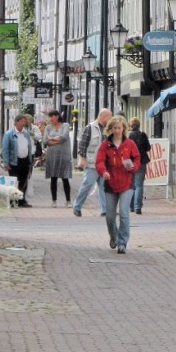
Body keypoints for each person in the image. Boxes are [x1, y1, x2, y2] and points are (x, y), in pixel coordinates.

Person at [95, 115, 140, 254]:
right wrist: (103, 172)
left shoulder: (130, 144)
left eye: (119, 128)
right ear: (110, 129)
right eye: (114, 128)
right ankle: (113, 236)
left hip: (127, 182)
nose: (117, 130)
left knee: (124, 213)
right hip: (110, 182)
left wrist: (133, 167)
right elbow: (99, 161)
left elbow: (137, 158)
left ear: (124, 128)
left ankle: (122, 243)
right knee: (110, 216)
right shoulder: (105, 145)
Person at [72, 108, 112, 217]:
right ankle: (77, 207)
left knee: (104, 187)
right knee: (87, 185)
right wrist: (82, 158)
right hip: (92, 163)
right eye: (109, 117)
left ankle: (105, 210)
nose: (111, 119)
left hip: (104, 164)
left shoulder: (108, 129)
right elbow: (83, 144)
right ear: (103, 116)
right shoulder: (90, 128)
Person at [0, 114, 33, 207]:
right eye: (22, 121)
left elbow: (29, 147)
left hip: (25, 160)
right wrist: (6, 163)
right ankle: (12, 200)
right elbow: (5, 149)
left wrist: (30, 160)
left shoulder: (26, 134)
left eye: (24, 121)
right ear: (16, 123)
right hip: (14, 161)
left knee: (24, 181)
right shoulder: (9, 134)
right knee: (13, 181)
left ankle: (22, 200)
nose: (24, 123)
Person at [42, 109, 72, 207]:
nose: (50, 118)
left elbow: (64, 137)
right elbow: (45, 140)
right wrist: (56, 140)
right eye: (49, 117)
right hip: (52, 156)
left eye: (52, 116)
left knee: (65, 178)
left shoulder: (65, 125)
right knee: (53, 178)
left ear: (57, 116)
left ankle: (68, 201)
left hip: (64, 156)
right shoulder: (48, 127)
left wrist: (52, 139)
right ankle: (54, 201)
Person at [127, 117, 151, 214]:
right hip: (141, 162)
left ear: (131, 125)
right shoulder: (143, 135)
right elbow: (148, 148)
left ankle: (131, 206)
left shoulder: (128, 136)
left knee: (130, 185)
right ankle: (138, 207)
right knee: (139, 185)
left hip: (130, 162)